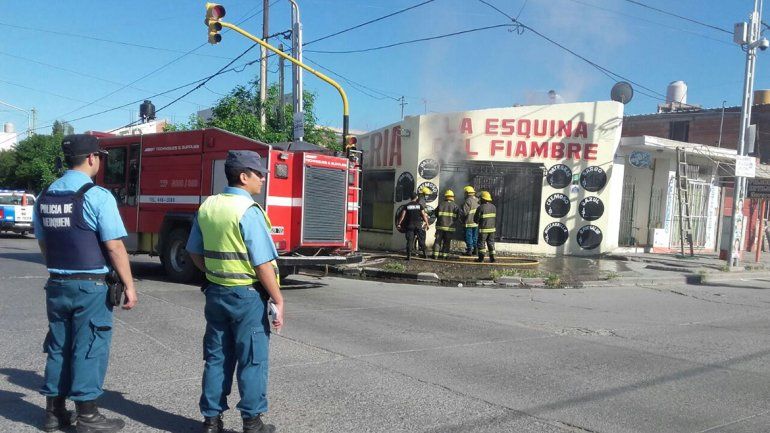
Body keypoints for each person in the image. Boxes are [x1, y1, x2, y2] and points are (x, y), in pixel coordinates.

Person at [33, 134, 138, 433]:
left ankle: (54, 414)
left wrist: (59, 269)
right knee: (90, 346)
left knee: (58, 346)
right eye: (100, 157)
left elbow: (44, 243)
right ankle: (88, 416)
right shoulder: (97, 195)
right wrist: (130, 286)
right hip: (90, 286)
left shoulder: (45, 195)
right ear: (92, 158)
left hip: (57, 283)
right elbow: (115, 246)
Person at [186, 150, 283, 433]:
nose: (263, 178)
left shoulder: (208, 206)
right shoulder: (247, 211)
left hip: (216, 293)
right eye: (259, 173)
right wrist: (278, 298)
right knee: (252, 358)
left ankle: (211, 421)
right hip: (247, 297)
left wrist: (214, 273)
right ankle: (252, 422)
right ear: (244, 176)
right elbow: (263, 263)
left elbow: (193, 250)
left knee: (217, 357)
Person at [396, 193, 429, 260]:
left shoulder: (407, 206)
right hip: (418, 225)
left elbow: (402, 216)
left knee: (410, 240)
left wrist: (399, 224)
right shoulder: (419, 206)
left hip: (410, 225)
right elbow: (423, 215)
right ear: (416, 197)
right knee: (421, 240)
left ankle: (409, 256)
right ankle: (425, 255)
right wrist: (427, 223)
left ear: (410, 198)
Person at [432, 190, 460, 260]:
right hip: (449, 228)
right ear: (452, 197)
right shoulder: (455, 206)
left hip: (440, 227)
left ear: (445, 197)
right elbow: (458, 217)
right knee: (447, 242)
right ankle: (444, 256)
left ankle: (435, 256)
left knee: (437, 241)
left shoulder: (441, 204)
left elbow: (436, 214)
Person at [474, 191, 497, 263]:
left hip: (483, 230)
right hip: (492, 229)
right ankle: (492, 258)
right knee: (491, 243)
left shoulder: (480, 208)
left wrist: (477, 222)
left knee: (481, 243)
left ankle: (481, 258)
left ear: (483, 199)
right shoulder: (494, 207)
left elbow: (476, 219)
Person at [460, 185, 479, 256]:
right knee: (475, 236)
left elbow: (464, 213)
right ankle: (476, 250)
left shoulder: (467, 201)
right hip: (476, 222)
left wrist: (461, 220)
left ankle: (469, 250)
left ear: (467, 193)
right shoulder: (477, 200)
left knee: (468, 236)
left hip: (469, 222)